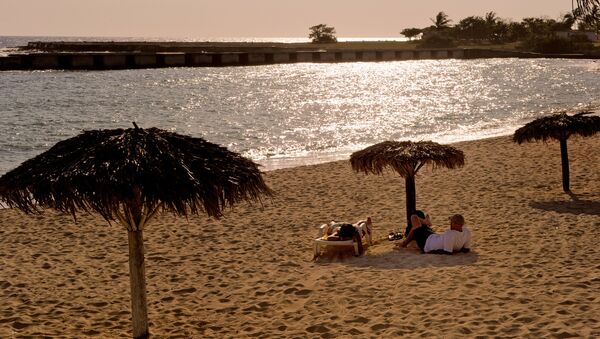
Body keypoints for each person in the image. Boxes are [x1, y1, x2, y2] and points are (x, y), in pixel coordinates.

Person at [399, 213, 471, 254]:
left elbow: (447, 252)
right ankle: (425, 222)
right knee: (421, 227)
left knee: (414, 218)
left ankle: (425, 222)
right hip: (433, 236)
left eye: (451, 222)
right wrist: (457, 250)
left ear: (454, 224)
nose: (450, 224)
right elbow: (466, 249)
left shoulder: (450, 234)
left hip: (427, 243)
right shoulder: (467, 232)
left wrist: (430, 252)